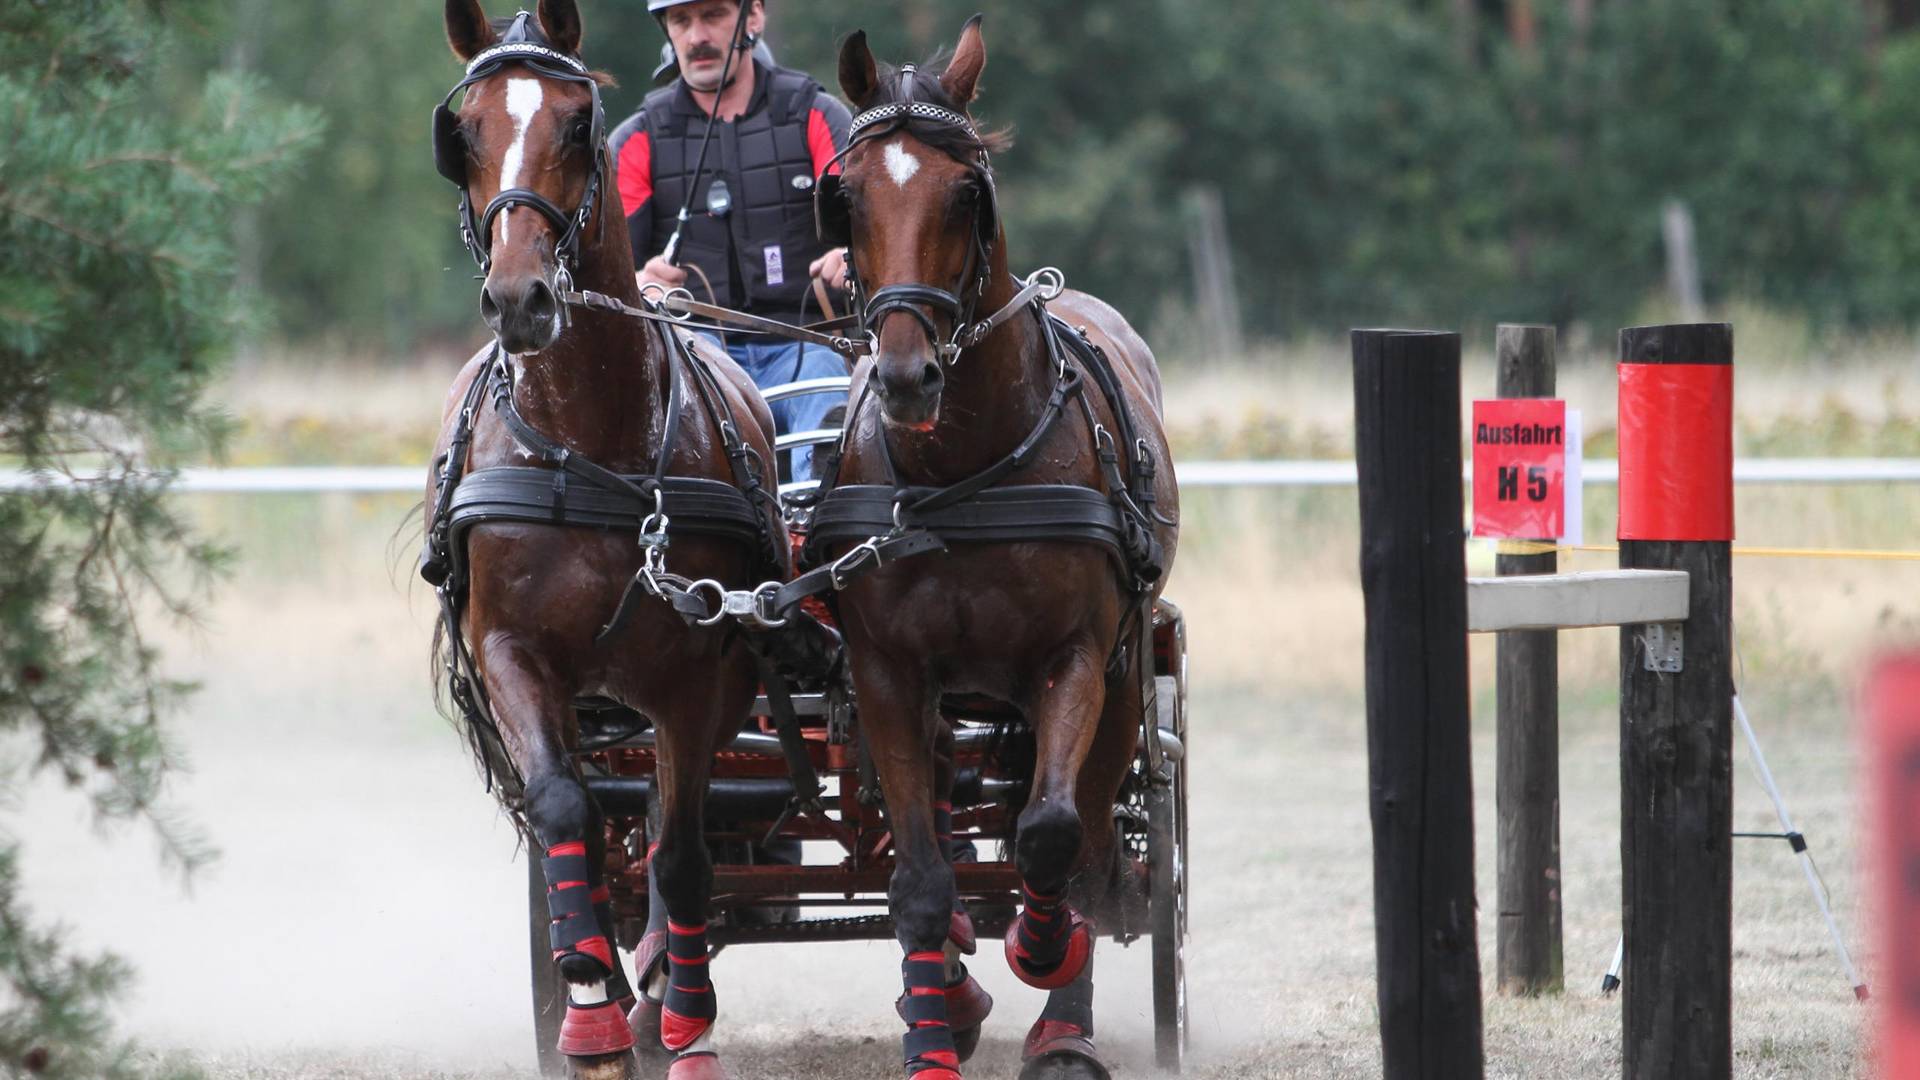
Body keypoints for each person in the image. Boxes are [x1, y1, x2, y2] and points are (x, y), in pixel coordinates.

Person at [611, 0, 852, 482]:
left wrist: (854, 255)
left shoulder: (817, 116)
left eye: (714, 15)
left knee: (829, 396)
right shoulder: (635, 140)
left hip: (806, 345)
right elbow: (603, 274)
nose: (697, 35)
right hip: (695, 352)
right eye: (681, 21)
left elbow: (882, 230)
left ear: (754, 16)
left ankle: (816, 537)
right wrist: (637, 284)